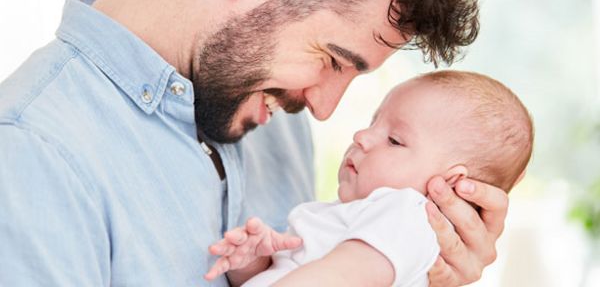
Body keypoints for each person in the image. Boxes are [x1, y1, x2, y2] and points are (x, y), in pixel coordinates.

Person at [0, 0, 505, 286]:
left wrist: (421, 272)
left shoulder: (272, 118)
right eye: (331, 59)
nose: (325, 109)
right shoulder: (30, 154)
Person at [205, 70, 534, 286]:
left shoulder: (409, 215)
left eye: (394, 140)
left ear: (448, 183)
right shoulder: (356, 218)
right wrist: (254, 263)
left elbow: (341, 278)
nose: (362, 136)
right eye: (373, 122)